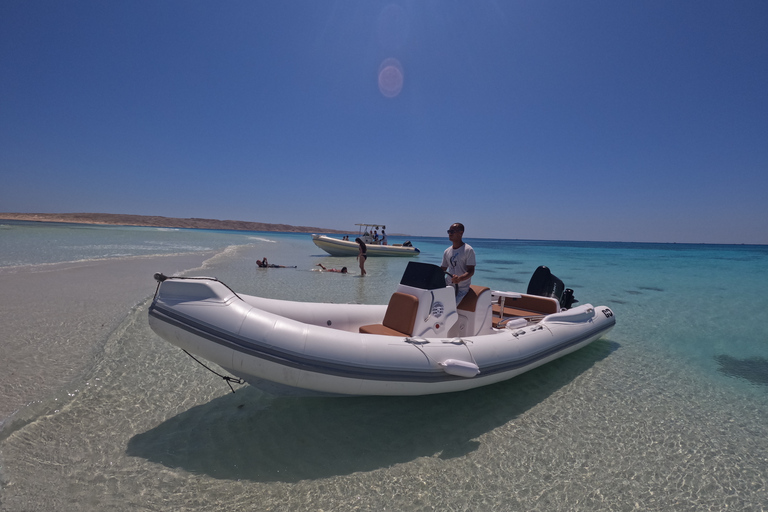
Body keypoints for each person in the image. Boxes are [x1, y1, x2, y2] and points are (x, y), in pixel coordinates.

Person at [440, 223, 475, 304]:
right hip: (447, 286)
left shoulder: (468, 250)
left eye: (452, 231)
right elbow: (443, 269)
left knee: (448, 310)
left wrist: (459, 279)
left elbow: (471, 271)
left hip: (461, 289)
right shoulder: (447, 251)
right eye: (449, 231)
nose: (450, 234)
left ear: (461, 233)